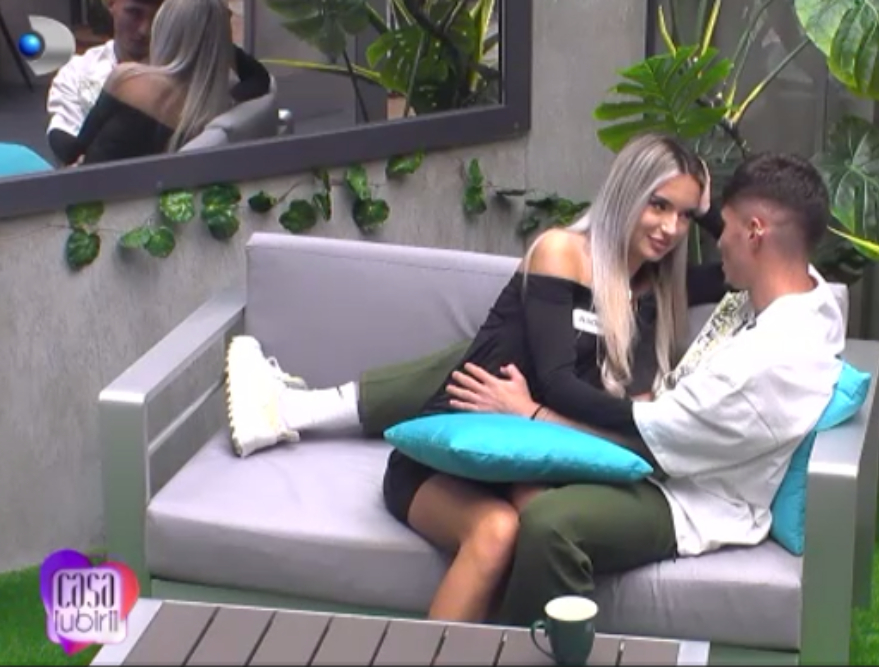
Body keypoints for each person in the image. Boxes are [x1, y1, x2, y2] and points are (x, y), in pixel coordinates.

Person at [222, 133, 730, 623]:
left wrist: (709, 208)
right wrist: (649, 421)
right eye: (659, 205)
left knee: (546, 525)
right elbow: (557, 382)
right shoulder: (563, 253)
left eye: (685, 215)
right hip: (455, 451)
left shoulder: (657, 288)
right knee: (496, 532)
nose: (671, 227)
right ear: (627, 194)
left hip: (538, 461)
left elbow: (742, 270)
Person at [443, 152, 847, 625]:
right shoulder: (804, 292)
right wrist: (708, 207)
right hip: (674, 442)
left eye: (723, 226)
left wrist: (533, 415)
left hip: (690, 494)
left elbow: (642, 437)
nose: (717, 239)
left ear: (755, 233)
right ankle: (368, 402)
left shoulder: (760, 363)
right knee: (485, 370)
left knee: (550, 523)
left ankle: (529, 650)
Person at [46, 0, 270, 165]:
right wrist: (210, 39)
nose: (145, 30)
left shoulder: (127, 78)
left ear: (166, 24)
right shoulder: (210, 100)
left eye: (155, 18)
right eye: (134, 13)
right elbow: (260, 77)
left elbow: (72, 151)